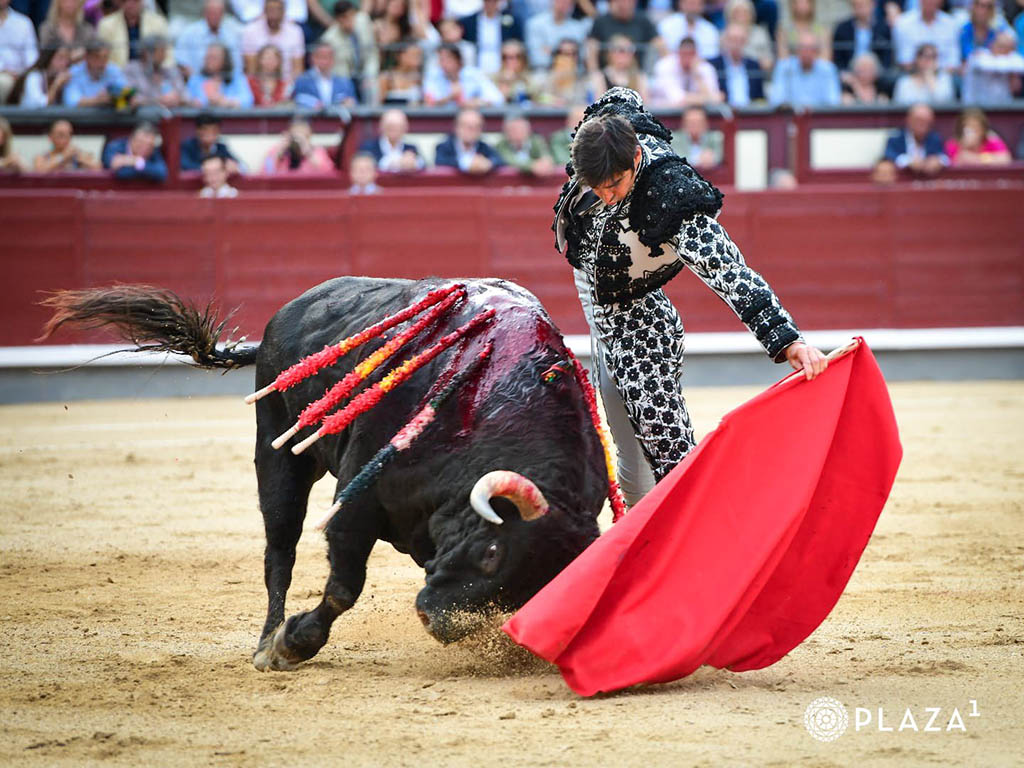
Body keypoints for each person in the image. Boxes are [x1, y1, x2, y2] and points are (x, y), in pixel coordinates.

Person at [554, 87, 825, 503]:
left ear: (637, 160)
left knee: (663, 444)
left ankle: (674, 527)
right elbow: (622, 93)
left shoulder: (669, 193)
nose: (605, 196)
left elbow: (727, 269)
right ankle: (644, 525)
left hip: (636, 311)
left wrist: (786, 339)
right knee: (622, 424)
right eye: (596, 185)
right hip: (594, 291)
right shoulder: (608, 129)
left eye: (615, 184)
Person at [873, 102, 947, 181]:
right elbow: (888, 156)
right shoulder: (896, 137)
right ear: (909, 120)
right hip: (902, 183)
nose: (923, 124)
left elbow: (945, 157)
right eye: (919, 120)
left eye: (927, 121)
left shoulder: (935, 138)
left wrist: (938, 160)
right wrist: (908, 161)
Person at [321, 0, 379, 101]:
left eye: (351, 15)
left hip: (365, 73)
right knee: (346, 93)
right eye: (344, 17)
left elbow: (372, 54)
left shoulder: (364, 20)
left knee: (372, 85)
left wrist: (369, 76)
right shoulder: (330, 39)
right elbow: (340, 72)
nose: (349, 20)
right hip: (345, 76)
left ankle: (373, 115)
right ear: (338, 19)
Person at [175, 0, 244, 80]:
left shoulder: (231, 36)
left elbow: (237, 67)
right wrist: (197, 82)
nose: (215, 15)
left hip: (226, 84)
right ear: (205, 12)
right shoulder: (189, 33)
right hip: (196, 84)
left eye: (219, 12)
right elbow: (182, 63)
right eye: (212, 12)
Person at [769, 30, 840, 107]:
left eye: (811, 49)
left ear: (817, 52)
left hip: (820, 117)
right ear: (797, 51)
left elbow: (833, 101)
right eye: (803, 49)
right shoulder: (784, 67)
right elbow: (776, 100)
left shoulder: (828, 69)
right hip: (791, 116)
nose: (807, 53)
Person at [423, 42, 505, 106]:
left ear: (458, 60)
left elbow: (497, 98)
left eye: (448, 59)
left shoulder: (474, 74)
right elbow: (429, 102)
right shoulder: (433, 75)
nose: (443, 64)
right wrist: (450, 97)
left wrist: (476, 102)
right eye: (441, 59)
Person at [97, 0, 172, 69]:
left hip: (150, 75)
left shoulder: (158, 22)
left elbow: (168, 56)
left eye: (135, 0)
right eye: (125, 1)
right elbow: (102, 57)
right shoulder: (106, 24)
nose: (130, 4)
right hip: (119, 74)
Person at [241, 0, 305, 80]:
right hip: (259, 84)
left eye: (278, 10)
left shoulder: (296, 31)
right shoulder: (250, 30)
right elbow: (251, 70)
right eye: (271, 10)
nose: (274, 15)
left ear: (284, 12)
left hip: (288, 84)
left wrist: (287, 89)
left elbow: (298, 69)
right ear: (264, 11)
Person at [587, 0, 660, 70]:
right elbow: (591, 48)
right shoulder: (601, 22)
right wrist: (594, 73)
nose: (626, 4)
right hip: (606, 73)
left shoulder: (643, 21)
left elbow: (660, 44)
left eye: (629, 1)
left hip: (636, 73)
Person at [650, 36, 722, 106]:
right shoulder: (665, 65)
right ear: (678, 53)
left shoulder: (705, 68)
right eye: (684, 53)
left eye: (691, 53)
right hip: (663, 113)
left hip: (696, 112)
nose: (687, 57)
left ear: (696, 54)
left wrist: (698, 76)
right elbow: (677, 99)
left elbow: (717, 99)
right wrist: (706, 99)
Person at [458, 0, 525, 75]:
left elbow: (518, 44)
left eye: (494, 1)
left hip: (503, 65)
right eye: (488, 1)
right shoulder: (468, 22)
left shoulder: (512, 20)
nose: (490, 4)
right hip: (477, 64)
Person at [893, 0, 960, 72]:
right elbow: (904, 60)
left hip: (944, 76)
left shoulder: (951, 24)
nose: (930, 1)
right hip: (912, 75)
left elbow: (954, 61)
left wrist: (936, 75)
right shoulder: (903, 23)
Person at [708, 23, 766, 105]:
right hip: (722, 112)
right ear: (724, 40)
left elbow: (760, 97)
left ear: (746, 42)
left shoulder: (753, 65)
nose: (736, 44)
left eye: (740, 40)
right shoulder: (712, 65)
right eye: (732, 39)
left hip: (750, 113)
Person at [124, 34, 188, 108]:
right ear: (147, 53)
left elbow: (186, 97)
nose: (164, 56)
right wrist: (157, 101)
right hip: (143, 117)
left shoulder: (169, 71)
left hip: (172, 115)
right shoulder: (132, 70)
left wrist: (178, 99)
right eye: (161, 51)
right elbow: (132, 100)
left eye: (165, 51)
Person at [434, 107, 504, 173]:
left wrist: (488, 163)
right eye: (467, 126)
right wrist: (468, 163)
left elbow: (500, 161)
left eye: (477, 127)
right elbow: (440, 162)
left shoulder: (484, 147)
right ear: (457, 127)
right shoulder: (444, 147)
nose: (472, 131)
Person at [534, 38, 602, 106]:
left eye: (573, 53)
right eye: (563, 53)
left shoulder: (585, 80)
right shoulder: (541, 78)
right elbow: (536, 98)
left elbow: (593, 102)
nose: (568, 57)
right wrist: (553, 100)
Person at [524, 0, 590, 70]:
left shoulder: (578, 27)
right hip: (543, 72)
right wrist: (565, 54)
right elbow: (537, 57)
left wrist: (551, 51)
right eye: (560, 1)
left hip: (573, 73)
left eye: (568, 2)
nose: (563, 5)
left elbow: (581, 56)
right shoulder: (535, 23)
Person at [962, 29, 1024, 102]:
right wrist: (1010, 63)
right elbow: (986, 66)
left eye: (1009, 48)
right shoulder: (979, 55)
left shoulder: (1011, 59)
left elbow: (1021, 65)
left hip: (1002, 107)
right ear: (992, 44)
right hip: (975, 107)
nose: (1004, 50)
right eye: (1001, 46)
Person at [831, 0, 892, 73]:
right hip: (850, 71)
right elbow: (838, 58)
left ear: (873, 5)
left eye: (864, 5)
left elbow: (887, 56)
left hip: (877, 72)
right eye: (857, 5)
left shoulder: (883, 28)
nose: (861, 9)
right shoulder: (842, 29)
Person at [188, 42, 255, 108]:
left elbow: (247, 100)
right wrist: (199, 102)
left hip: (229, 117)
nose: (209, 61)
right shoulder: (196, 79)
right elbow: (187, 99)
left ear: (225, 60)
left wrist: (224, 101)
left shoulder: (236, 77)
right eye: (207, 57)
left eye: (214, 58)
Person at [291, 42, 357, 109]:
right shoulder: (302, 81)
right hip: (311, 118)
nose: (324, 62)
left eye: (327, 57)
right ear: (313, 58)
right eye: (320, 57)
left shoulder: (345, 83)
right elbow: (297, 101)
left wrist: (349, 103)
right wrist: (312, 104)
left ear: (333, 59)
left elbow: (353, 104)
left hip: (337, 119)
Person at [62, 39, 126, 107]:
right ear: (86, 57)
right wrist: (97, 100)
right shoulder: (74, 73)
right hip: (82, 117)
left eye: (105, 57)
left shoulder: (113, 71)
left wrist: (130, 100)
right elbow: (71, 101)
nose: (102, 62)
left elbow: (125, 92)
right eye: (97, 57)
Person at [357, 108, 424, 172]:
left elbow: (424, 165)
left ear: (405, 129)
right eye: (390, 127)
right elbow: (362, 168)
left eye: (398, 127)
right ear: (381, 127)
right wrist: (393, 163)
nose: (394, 131)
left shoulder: (411, 148)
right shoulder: (368, 147)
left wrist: (414, 163)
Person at [262, 117, 334, 174]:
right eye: (295, 135)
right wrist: (279, 152)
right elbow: (266, 172)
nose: (298, 140)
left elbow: (328, 173)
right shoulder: (279, 151)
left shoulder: (317, 152)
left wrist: (308, 152)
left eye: (303, 135)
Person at [0, 0, 39, 104]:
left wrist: (22, 75)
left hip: (22, 75)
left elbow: (32, 59)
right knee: (3, 82)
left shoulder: (24, 23)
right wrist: (4, 70)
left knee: (34, 79)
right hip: (3, 76)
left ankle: (35, 117)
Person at [102, 121, 168, 182]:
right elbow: (121, 173)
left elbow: (161, 173)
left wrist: (137, 161)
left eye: (149, 145)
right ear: (131, 139)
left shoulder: (154, 151)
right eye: (140, 143)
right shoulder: (114, 147)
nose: (145, 148)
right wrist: (145, 168)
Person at [944, 107, 1012, 164]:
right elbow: (950, 163)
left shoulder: (991, 140)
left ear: (983, 129)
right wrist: (964, 147)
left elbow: (1006, 159)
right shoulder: (953, 144)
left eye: (975, 127)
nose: (972, 132)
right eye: (968, 127)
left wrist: (978, 158)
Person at [33, 118, 101, 172]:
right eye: (61, 135)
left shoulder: (78, 155)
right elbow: (39, 170)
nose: (66, 139)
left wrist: (82, 160)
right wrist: (62, 157)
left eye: (69, 134)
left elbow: (99, 168)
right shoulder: (42, 157)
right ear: (50, 137)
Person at [725, 0, 773, 72]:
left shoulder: (760, 33)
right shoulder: (724, 34)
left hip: (757, 75)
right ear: (730, 14)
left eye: (745, 12)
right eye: (737, 12)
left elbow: (768, 62)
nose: (741, 15)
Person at [600, 34, 651, 102]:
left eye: (629, 50)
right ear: (610, 52)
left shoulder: (639, 77)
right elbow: (598, 106)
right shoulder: (600, 77)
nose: (624, 54)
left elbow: (646, 104)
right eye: (620, 50)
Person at [491, 39, 539, 105]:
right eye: (505, 57)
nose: (510, 61)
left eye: (517, 56)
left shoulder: (533, 80)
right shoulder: (492, 80)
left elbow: (538, 99)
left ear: (523, 59)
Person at [376, 40, 424, 104]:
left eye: (419, 55)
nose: (418, 59)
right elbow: (379, 103)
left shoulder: (418, 78)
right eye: (413, 55)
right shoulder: (386, 78)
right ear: (401, 56)